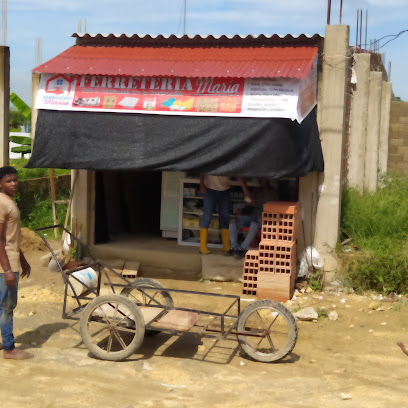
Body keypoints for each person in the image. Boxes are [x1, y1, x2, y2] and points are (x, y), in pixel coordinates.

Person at [0, 166, 33, 360]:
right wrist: (8, 269)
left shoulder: (9, 202)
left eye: (15, 180)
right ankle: (9, 348)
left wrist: (23, 260)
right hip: (6, 265)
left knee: (2, 304)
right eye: (8, 181)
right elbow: (0, 239)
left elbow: (12, 237)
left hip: (11, 260)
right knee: (7, 306)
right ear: (0, 184)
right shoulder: (2, 203)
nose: (13, 184)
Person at [227, 178, 278, 258]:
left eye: (263, 179)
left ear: (268, 180)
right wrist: (242, 211)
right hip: (253, 216)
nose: (261, 182)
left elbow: (274, 208)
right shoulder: (257, 191)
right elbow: (249, 202)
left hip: (265, 219)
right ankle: (234, 247)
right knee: (233, 221)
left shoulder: (273, 193)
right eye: (260, 180)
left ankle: (243, 248)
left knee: (254, 224)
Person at [199, 175, 231, 255]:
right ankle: (203, 247)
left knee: (225, 217)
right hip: (210, 188)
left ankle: (226, 246)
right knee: (207, 216)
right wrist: (202, 184)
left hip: (225, 189)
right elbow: (203, 170)